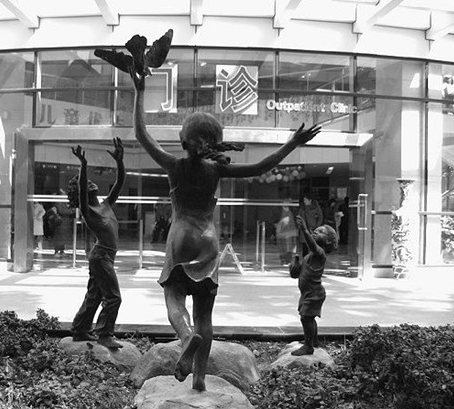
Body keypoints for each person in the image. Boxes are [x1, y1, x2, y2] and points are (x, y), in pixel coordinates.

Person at [130, 62, 321, 391]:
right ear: (215, 142)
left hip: (179, 238)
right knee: (206, 314)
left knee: (174, 298)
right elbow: (260, 166)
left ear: (183, 139)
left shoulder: (174, 165)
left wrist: (140, 89)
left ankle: (186, 337)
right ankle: (200, 379)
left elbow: (142, 134)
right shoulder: (216, 171)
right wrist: (292, 143)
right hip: (208, 242)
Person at [68, 138, 125, 349]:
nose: (90, 183)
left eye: (90, 181)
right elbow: (83, 189)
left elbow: (119, 183)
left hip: (104, 256)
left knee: (94, 295)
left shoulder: (106, 204)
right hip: (101, 256)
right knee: (114, 298)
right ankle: (104, 333)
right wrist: (83, 166)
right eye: (85, 183)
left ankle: (80, 328)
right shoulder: (88, 210)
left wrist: (120, 162)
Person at [289, 215, 338, 356]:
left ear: (328, 240)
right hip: (307, 293)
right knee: (308, 317)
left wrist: (305, 230)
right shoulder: (309, 256)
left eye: (321, 232)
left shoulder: (320, 254)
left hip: (314, 293)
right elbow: (296, 274)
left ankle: (308, 346)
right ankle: (314, 341)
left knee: (306, 318)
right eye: (315, 230)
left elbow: (312, 244)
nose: (316, 232)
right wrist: (296, 265)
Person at [297, 191, 323, 256]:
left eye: (305, 200)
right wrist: (299, 226)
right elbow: (298, 217)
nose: (304, 201)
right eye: (303, 200)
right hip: (304, 230)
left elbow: (320, 217)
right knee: (305, 248)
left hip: (312, 230)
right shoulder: (302, 208)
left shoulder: (316, 207)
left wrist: (317, 227)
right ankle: (305, 262)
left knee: (312, 247)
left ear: (310, 200)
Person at [53, 189, 74, 257]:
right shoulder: (58, 203)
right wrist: (71, 211)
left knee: (63, 238)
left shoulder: (64, 203)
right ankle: (56, 252)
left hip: (65, 223)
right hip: (60, 223)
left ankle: (62, 251)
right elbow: (61, 211)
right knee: (59, 238)